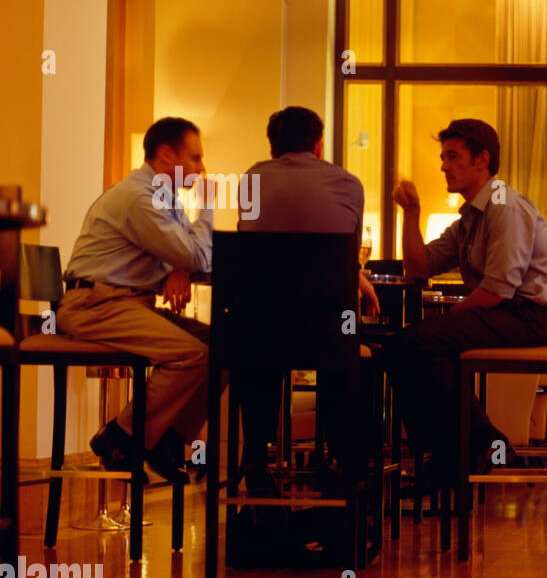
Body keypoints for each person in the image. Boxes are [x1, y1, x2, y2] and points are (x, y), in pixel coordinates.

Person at [383, 118, 547, 481]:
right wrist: (411, 213)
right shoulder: (470, 217)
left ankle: (462, 453)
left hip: (529, 317)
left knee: (414, 343)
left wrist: (447, 317)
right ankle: (463, 453)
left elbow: (498, 289)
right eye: (443, 157)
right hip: (509, 312)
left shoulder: (505, 207)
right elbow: (420, 265)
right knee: (412, 345)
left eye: (452, 156)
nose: (443, 165)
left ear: (482, 159)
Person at [235, 106, 380, 504]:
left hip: (261, 332)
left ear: (273, 147)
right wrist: (357, 276)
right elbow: (342, 254)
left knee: (261, 346)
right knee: (351, 346)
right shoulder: (348, 184)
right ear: (318, 145)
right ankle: (343, 459)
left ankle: (255, 461)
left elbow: (256, 250)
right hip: (327, 331)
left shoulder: (251, 179)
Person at [58, 116, 214, 483]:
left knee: (221, 346)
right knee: (193, 353)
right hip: (95, 305)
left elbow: (188, 256)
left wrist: (181, 266)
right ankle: (121, 437)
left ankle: (167, 441)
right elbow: (196, 255)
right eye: (195, 158)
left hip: (125, 303)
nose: (202, 169)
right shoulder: (138, 198)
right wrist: (205, 208)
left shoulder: (163, 200)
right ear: (166, 156)